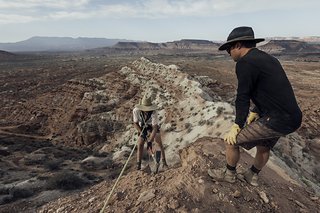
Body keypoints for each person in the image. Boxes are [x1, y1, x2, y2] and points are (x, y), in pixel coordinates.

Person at [208, 26, 302, 186]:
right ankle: (252, 175)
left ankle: (229, 174)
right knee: (264, 146)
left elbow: (243, 96)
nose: (229, 53)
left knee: (231, 142)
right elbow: (272, 89)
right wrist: (256, 110)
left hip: (276, 119)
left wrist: (237, 125)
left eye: (229, 49)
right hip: (292, 118)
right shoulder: (269, 59)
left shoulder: (245, 63)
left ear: (238, 45)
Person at [133, 95, 168, 170]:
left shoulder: (154, 112)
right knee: (140, 143)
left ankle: (164, 162)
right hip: (142, 127)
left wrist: (150, 141)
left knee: (158, 142)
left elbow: (154, 127)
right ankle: (138, 164)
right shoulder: (136, 110)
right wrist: (141, 133)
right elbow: (135, 123)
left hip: (152, 126)